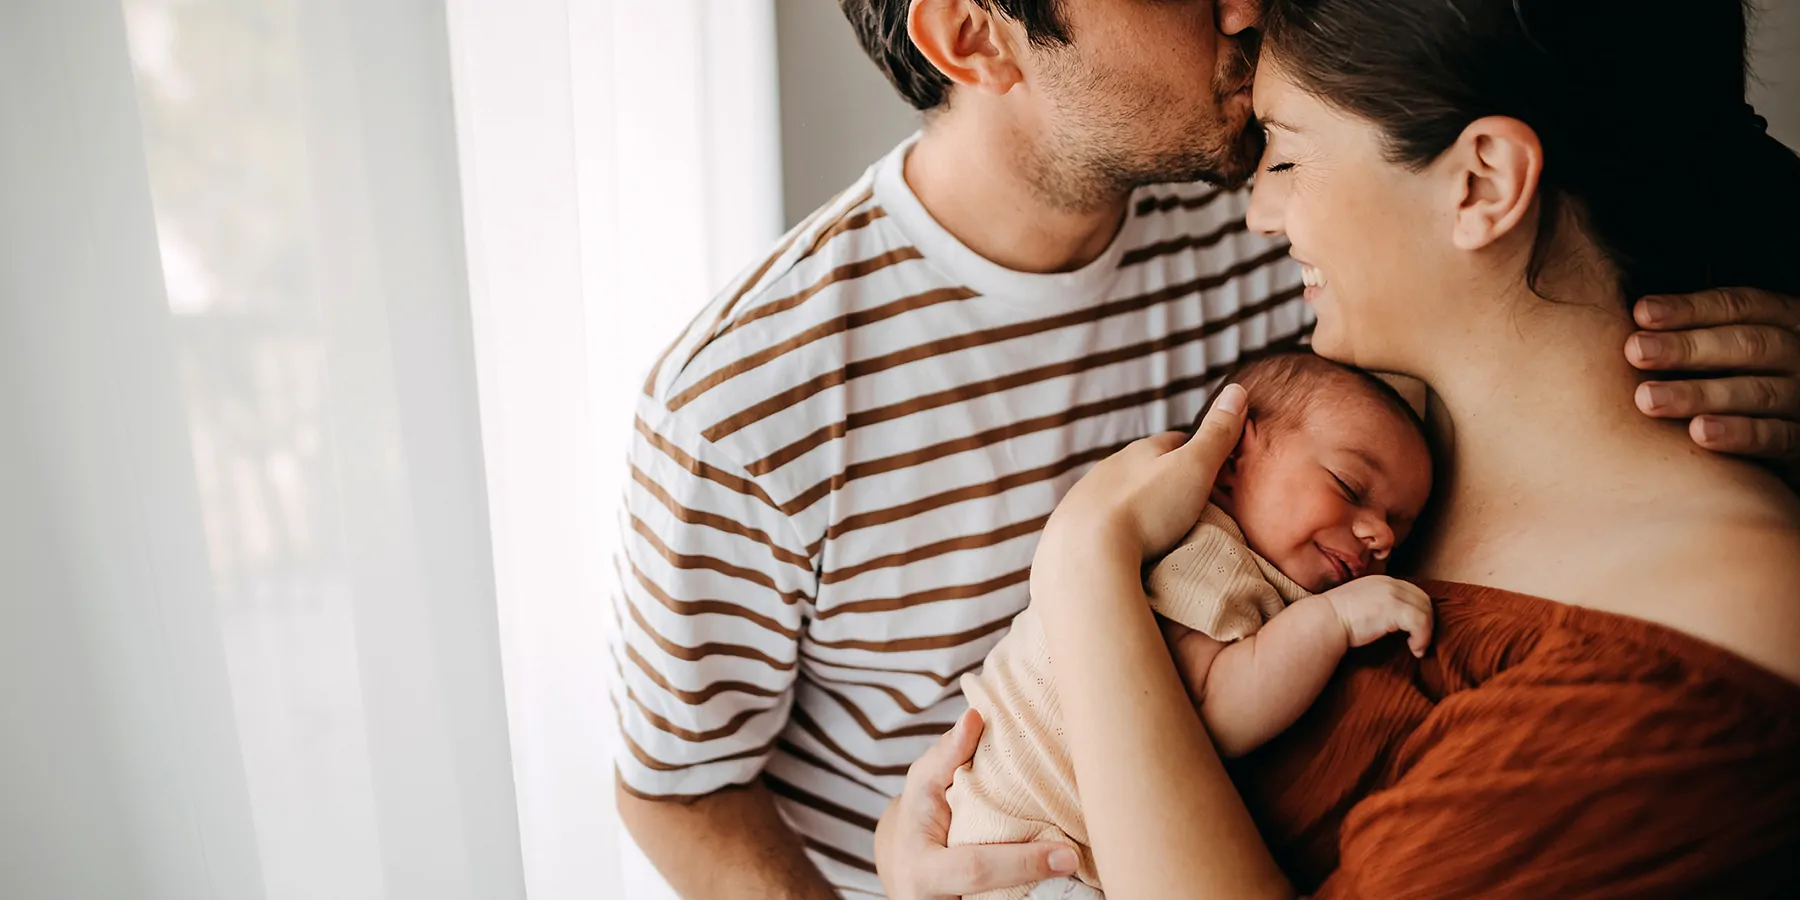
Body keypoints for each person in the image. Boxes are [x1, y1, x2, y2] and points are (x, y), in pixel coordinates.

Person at [611, 2, 1800, 897]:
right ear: (972, 35)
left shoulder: (1294, 245)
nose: (1243, 5)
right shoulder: (739, 406)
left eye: (1288, 155)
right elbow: (679, 788)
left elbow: (1629, 121)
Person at [947, 353, 1437, 900]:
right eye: (1350, 487)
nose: (1380, 536)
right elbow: (1215, 711)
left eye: (1399, 529)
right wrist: (1333, 620)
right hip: (1030, 856)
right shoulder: (1209, 551)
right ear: (1229, 462)